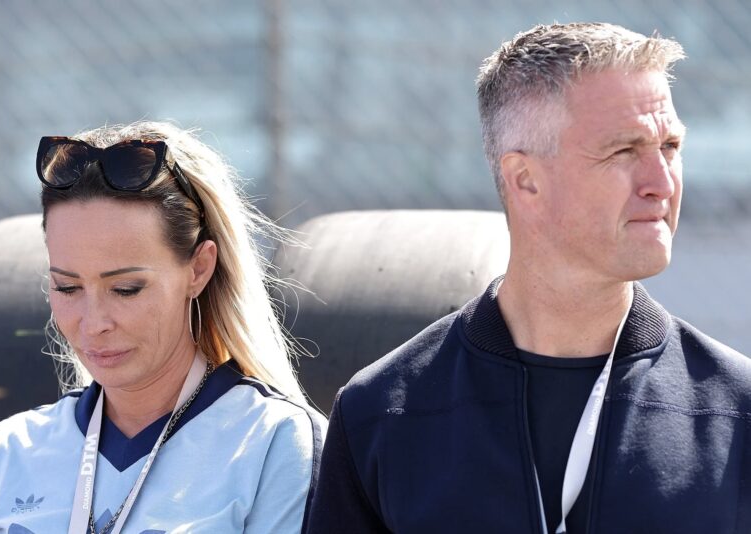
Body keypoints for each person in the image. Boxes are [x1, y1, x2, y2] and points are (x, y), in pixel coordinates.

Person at [306, 22, 751, 533]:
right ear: (525, 180)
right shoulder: (382, 414)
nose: (662, 182)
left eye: (670, 146)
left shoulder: (738, 412)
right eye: (624, 151)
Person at [0, 121, 326, 533]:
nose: (94, 324)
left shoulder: (275, 443)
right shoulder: (7, 452)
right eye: (67, 287)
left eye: (126, 289)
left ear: (199, 269)